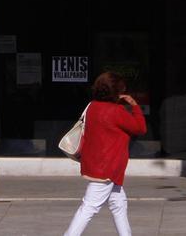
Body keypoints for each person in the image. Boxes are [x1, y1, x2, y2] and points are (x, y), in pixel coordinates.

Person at [63, 72, 147, 236]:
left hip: (96, 164)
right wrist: (135, 106)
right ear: (116, 92)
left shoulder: (92, 106)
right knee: (89, 207)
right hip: (107, 168)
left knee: (118, 204)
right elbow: (140, 128)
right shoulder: (116, 111)